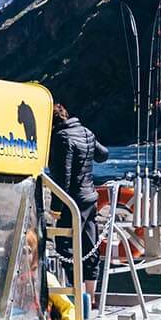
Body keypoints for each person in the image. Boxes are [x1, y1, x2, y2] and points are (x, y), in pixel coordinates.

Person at [49, 100, 109, 263]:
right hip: (90, 198)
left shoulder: (62, 138)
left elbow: (63, 178)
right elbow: (103, 155)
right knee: (90, 247)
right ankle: (89, 289)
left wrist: (55, 209)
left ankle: (73, 287)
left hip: (72, 202)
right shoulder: (86, 132)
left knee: (66, 247)